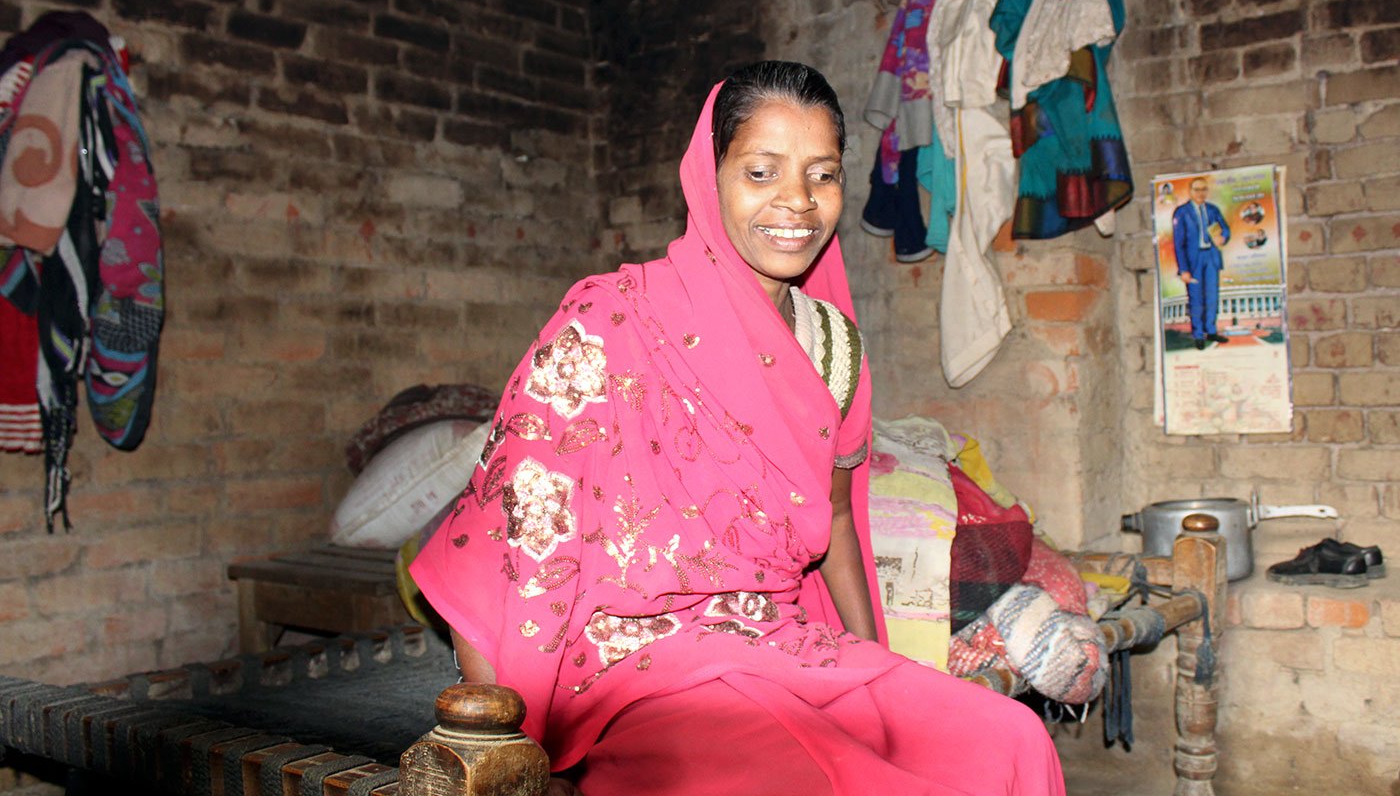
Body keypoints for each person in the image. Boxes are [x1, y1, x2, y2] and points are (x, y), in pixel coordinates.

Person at [411, 61, 1065, 795]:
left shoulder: (833, 345)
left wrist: (877, 668)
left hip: (780, 638)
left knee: (1010, 738)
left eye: (822, 175)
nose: (798, 202)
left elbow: (839, 519)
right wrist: (514, 744)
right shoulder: (609, 320)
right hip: (637, 666)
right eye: (762, 172)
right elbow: (509, 533)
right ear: (708, 175)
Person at [1172, 176, 1231, 350]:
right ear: (1190, 192)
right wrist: (1183, 269)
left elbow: (1225, 228)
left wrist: (1223, 237)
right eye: (1197, 190)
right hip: (1193, 261)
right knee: (1196, 298)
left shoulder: (1213, 209)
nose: (1200, 193)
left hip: (1211, 257)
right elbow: (1178, 243)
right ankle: (1198, 334)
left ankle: (1211, 330)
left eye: (1204, 189)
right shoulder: (1181, 212)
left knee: (1212, 296)